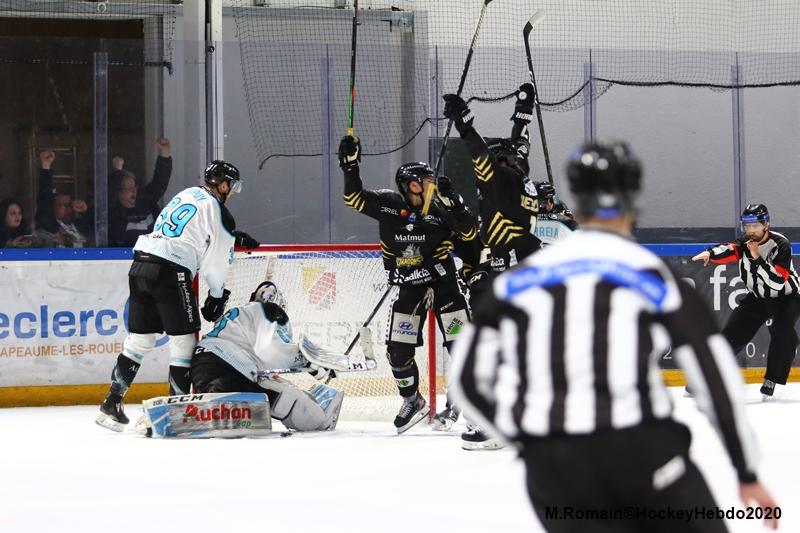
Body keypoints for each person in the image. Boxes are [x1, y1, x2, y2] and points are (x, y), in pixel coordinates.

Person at [450, 141, 779, 532]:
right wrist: (745, 470)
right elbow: (715, 378)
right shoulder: (652, 276)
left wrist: (531, 440)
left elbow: (466, 380)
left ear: (577, 202)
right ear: (634, 200)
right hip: (642, 455)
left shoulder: (519, 281)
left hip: (555, 473)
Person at [96, 160, 259, 432]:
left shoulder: (187, 194)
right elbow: (217, 261)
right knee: (184, 342)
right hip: (170, 270)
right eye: (233, 186)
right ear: (222, 185)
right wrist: (216, 295)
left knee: (140, 339)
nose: (233, 192)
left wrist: (230, 237)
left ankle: (112, 402)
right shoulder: (218, 209)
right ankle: (176, 412)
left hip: (141, 263)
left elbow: (189, 232)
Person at [338, 134, 478, 433]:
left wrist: (456, 205)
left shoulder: (441, 209)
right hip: (410, 287)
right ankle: (412, 400)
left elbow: (469, 234)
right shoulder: (389, 204)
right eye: (425, 181)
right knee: (397, 351)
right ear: (410, 185)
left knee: (463, 346)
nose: (431, 186)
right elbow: (353, 199)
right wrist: (350, 166)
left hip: (444, 284)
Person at [442, 84, 543, 449]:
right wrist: (523, 109)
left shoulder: (501, 183)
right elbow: (520, 141)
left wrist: (464, 123)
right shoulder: (521, 179)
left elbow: (481, 155)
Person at [190, 281, 344, 431]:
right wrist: (308, 361)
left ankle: (213, 402)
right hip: (232, 367)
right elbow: (273, 352)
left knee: (259, 383)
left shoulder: (240, 312)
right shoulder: (271, 311)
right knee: (306, 411)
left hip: (200, 365)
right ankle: (320, 416)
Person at [692, 203, 800, 399]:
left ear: (766, 225)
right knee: (731, 336)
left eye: (755, 226)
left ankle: (772, 378)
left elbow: (777, 282)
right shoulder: (744, 244)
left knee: (783, 331)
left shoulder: (781, 244)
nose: (750, 230)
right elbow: (728, 248)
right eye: (747, 226)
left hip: (787, 297)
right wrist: (710, 253)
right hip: (758, 297)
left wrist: (756, 257)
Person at [108, 138, 174, 247]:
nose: (133, 190)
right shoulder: (112, 214)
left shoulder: (145, 201)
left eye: (134, 186)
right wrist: (117, 171)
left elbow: (159, 183)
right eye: (128, 188)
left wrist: (165, 154)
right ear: (118, 193)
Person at [34, 150, 91, 248]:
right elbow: (44, 198)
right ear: (52, 207)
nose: (66, 209)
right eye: (60, 205)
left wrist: (86, 211)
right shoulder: (49, 227)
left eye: (68, 205)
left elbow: (100, 224)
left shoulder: (78, 225)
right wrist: (46, 166)